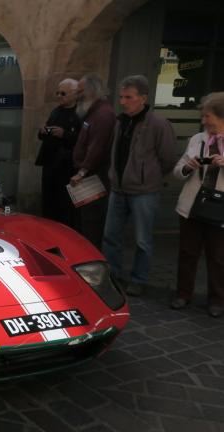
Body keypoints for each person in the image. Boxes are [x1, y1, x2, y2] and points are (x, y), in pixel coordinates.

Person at [102, 75, 178, 296]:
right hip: (118, 188)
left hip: (144, 191)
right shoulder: (120, 122)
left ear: (143, 98)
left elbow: (168, 159)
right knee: (111, 235)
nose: (123, 102)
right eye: (121, 97)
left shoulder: (159, 124)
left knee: (142, 239)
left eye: (129, 97)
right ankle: (113, 275)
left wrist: (149, 177)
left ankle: (139, 279)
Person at [170, 92, 224, 318]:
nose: (204, 120)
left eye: (207, 116)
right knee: (187, 253)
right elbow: (177, 171)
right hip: (191, 206)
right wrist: (188, 167)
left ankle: (217, 300)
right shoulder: (197, 139)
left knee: (218, 258)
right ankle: (183, 294)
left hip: (220, 209)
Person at [70, 74, 116, 248]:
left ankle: (91, 255)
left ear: (92, 91)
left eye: (80, 91)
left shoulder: (103, 115)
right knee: (85, 218)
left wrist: (82, 171)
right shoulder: (93, 113)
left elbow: (97, 147)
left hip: (94, 176)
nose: (78, 95)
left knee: (92, 220)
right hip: (88, 174)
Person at [36, 78, 81, 226]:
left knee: (64, 204)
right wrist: (43, 130)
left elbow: (83, 139)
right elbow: (44, 134)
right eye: (58, 93)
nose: (59, 96)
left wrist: (64, 134)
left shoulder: (80, 113)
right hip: (50, 162)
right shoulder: (56, 111)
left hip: (66, 166)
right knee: (48, 201)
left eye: (63, 93)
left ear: (75, 94)